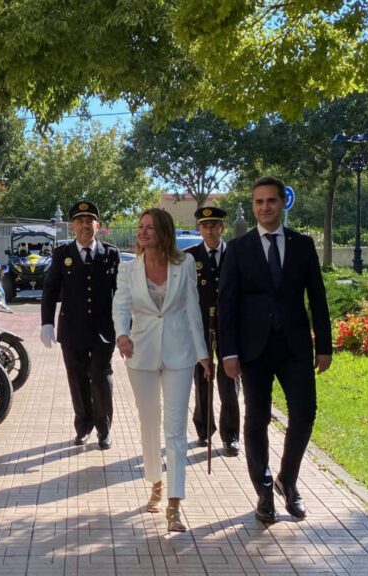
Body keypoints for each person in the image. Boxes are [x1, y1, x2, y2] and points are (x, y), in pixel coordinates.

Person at [218, 176, 332, 523]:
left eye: (271, 200)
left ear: (283, 202)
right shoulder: (238, 248)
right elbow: (227, 305)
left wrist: (324, 345)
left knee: (305, 414)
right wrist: (228, 352)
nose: (265, 207)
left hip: (295, 346)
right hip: (253, 349)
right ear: (253, 206)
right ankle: (264, 490)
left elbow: (317, 297)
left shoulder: (303, 245)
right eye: (258, 202)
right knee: (256, 418)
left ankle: (288, 480)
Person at [112, 208, 210, 533]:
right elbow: (120, 306)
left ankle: (174, 501)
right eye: (141, 227)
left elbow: (193, 309)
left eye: (150, 227)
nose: (143, 232)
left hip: (180, 354)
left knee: (175, 427)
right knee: (149, 422)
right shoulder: (128, 269)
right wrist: (122, 334)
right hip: (141, 353)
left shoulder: (185, 265)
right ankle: (155, 480)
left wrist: (203, 355)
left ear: (164, 232)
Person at [40, 201, 120, 450]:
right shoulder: (62, 254)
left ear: (97, 225)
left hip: (103, 330)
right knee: (77, 379)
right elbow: (50, 289)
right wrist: (46, 323)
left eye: (89, 221)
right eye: (80, 221)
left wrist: (125, 328)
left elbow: (121, 293)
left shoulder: (111, 254)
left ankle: (104, 429)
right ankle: (83, 426)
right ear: (72, 227)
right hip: (72, 329)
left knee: (101, 377)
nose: (85, 225)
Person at [184, 207, 240, 455]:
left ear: (222, 228)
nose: (209, 231)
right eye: (205, 226)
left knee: (229, 380)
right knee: (202, 378)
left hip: (229, 325)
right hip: (200, 325)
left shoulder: (235, 254)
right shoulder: (189, 257)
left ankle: (231, 435)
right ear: (199, 229)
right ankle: (204, 429)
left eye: (214, 226)